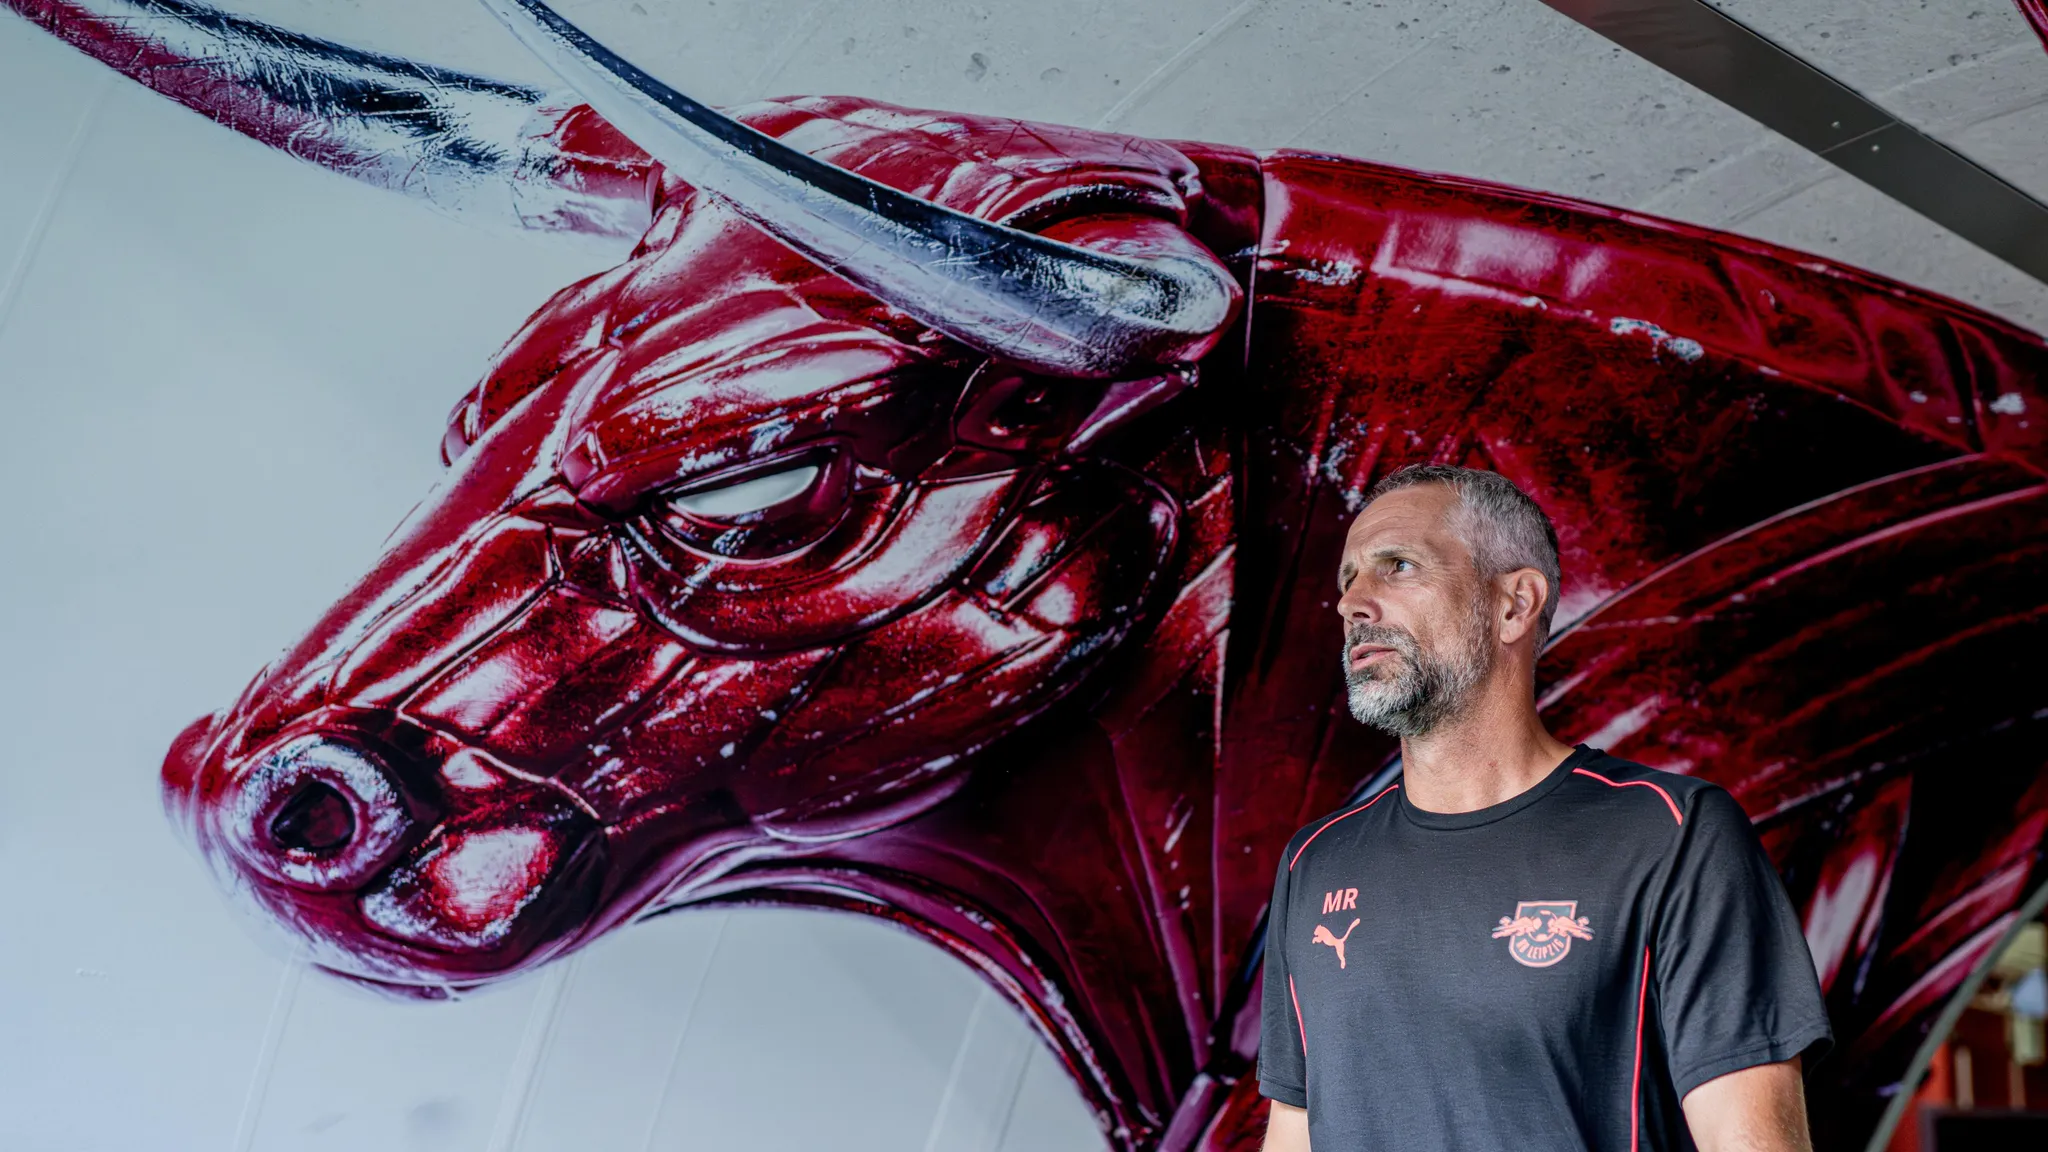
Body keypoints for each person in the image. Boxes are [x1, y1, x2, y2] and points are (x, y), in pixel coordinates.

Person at [1258, 465, 1831, 1152]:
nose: (1354, 602)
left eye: (1397, 566)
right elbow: (1293, 1135)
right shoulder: (1316, 864)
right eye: (1348, 579)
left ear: (1514, 604)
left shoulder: (1671, 834)